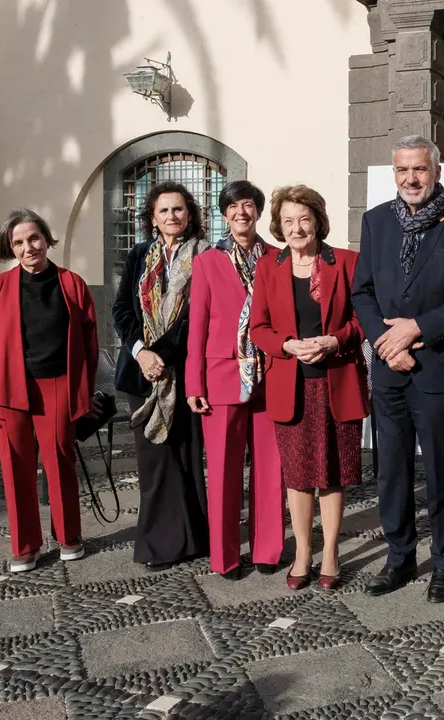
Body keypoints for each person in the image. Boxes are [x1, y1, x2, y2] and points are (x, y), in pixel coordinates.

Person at [352, 135, 444, 603]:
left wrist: (415, 329)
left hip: (441, 368)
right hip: (390, 371)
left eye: (419, 170)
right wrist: (385, 342)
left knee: (442, 469)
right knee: (391, 469)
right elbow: (363, 293)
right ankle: (399, 557)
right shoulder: (375, 222)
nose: (410, 179)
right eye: (402, 171)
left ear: (436, 172)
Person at [0, 209, 100, 573]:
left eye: (34, 238)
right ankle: (25, 546)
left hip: (57, 384)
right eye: (19, 242)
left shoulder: (72, 284)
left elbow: (89, 341)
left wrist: (84, 391)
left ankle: (69, 537)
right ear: (10, 248)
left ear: (46, 238)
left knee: (60, 461)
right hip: (7, 389)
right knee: (15, 467)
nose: (29, 248)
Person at [250, 185, 368, 590]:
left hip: (337, 383)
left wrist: (336, 341)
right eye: (288, 221)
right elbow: (258, 328)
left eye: (304, 219)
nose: (297, 228)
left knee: (332, 474)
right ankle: (303, 552)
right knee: (298, 477)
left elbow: (364, 319)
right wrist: (284, 345)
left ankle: (331, 551)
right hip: (291, 386)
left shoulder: (347, 263)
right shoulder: (269, 268)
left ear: (318, 220)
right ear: (279, 227)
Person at [186, 180, 284, 580]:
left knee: (270, 466)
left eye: (248, 206)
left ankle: (267, 549)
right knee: (224, 471)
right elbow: (198, 326)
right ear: (223, 214)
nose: (241, 213)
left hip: (270, 373)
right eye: (233, 207)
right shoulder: (208, 260)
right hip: (222, 374)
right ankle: (224, 556)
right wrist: (195, 384)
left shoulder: (277, 258)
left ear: (258, 212)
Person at [113, 182, 211, 571]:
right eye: (164, 211)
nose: (172, 217)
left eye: (179, 209)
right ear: (152, 218)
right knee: (154, 459)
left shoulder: (205, 256)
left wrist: (163, 354)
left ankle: (195, 538)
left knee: (186, 456)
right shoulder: (139, 256)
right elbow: (121, 309)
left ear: (191, 214)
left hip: (185, 371)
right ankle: (159, 544)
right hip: (142, 374)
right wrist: (141, 352)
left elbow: (196, 316)